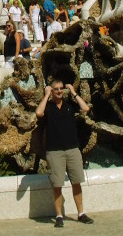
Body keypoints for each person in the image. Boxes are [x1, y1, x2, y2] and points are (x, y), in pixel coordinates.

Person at [35, 79, 94, 227]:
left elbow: (85, 108)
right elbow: (38, 112)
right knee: (57, 184)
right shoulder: (48, 107)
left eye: (61, 88)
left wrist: (73, 92)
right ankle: (59, 216)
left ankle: (81, 213)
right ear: (52, 91)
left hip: (73, 149)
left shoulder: (70, 105)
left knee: (76, 182)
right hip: (55, 151)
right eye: (56, 89)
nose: (59, 91)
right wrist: (47, 94)